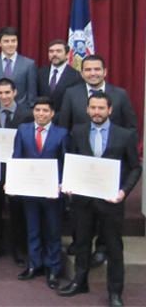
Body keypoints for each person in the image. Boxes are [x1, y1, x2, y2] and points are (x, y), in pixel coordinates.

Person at [58, 92, 142, 307]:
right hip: (83, 200)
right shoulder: (78, 131)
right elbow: (71, 161)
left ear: (110, 110)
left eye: (101, 108)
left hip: (111, 201)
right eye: (93, 108)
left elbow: (135, 167)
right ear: (87, 109)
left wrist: (124, 191)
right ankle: (80, 282)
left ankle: (115, 292)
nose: (97, 112)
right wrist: (68, 183)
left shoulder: (124, 135)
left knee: (114, 248)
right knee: (82, 243)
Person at [11, 97, 68, 290]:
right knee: (32, 229)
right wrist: (13, 182)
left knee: (53, 231)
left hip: (52, 193)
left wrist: (61, 185)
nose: (41, 114)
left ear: (52, 113)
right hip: (30, 191)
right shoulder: (23, 129)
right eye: (37, 110)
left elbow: (66, 163)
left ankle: (53, 269)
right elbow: (17, 157)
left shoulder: (62, 133)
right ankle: (34, 265)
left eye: (45, 111)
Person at [0, 78, 33, 265]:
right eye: (0, 93)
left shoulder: (27, 114)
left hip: (17, 167)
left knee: (17, 209)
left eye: (7, 92)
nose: (4, 96)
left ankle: (19, 249)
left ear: (15, 92)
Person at [58, 55, 137, 132]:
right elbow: (63, 127)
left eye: (97, 69)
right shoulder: (71, 94)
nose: (93, 73)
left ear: (104, 72)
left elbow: (131, 128)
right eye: (88, 70)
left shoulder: (120, 94)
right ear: (82, 74)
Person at [0, 26, 37, 108]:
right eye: (6, 41)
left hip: (20, 111)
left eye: (13, 41)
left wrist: (29, 111)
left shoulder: (28, 64)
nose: (10, 44)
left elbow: (32, 93)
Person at [35, 40, 83, 113]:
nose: (54, 54)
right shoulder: (40, 73)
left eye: (59, 51)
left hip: (65, 117)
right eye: (51, 51)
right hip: (42, 116)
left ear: (67, 55)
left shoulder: (76, 76)